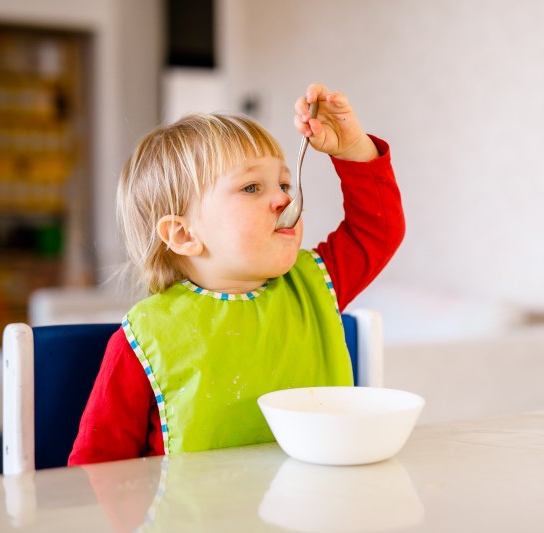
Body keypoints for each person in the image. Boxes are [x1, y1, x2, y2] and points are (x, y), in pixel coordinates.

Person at [68, 83, 404, 464]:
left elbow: (377, 231)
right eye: (251, 187)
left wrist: (353, 148)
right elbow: (95, 472)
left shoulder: (316, 282)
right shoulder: (146, 337)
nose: (284, 198)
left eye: (282, 183)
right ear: (183, 234)